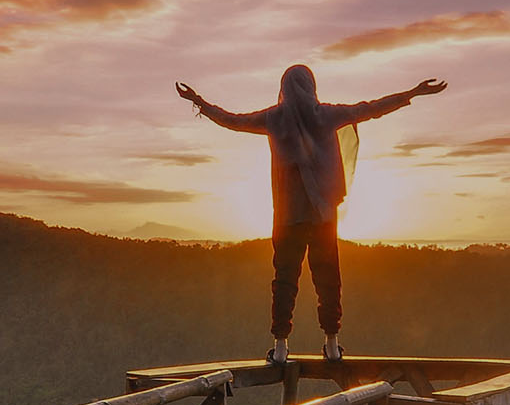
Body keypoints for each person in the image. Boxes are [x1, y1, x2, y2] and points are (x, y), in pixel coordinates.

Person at [177, 65, 447, 364]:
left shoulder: (273, 118)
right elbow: (370, 109)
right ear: (311, 86)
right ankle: (332, 345)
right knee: (328, 279)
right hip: (322, 216)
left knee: (284, 280)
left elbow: (232, 121)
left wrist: (199, 101)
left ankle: (280, 348)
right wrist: (413, 92)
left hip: (287, 218)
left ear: (284, 88)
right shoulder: (326, 115)